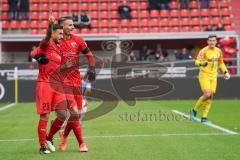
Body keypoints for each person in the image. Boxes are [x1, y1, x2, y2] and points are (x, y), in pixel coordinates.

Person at [49, 16, 96, 152]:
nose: (73, 27)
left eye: (73, 25)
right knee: (74, 113)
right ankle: (82, 143)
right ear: (61, 27)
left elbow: (90, 56)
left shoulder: (78, 40)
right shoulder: (55, 42)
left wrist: (92, 68)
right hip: (63, 82)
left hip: (76, 81)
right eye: (70, 25)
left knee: (77, 114)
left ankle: (60, 136)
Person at [31, 24, 68, 154]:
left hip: (57, 85)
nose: (61, 36)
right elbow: (40, 46)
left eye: (62, 34)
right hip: (45, 84)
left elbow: (34, 53)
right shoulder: (46, 43)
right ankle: (42, 147)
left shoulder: (59, 47)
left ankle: (49, 137)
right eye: (59, 33)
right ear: (52, 34)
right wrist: (50, 25)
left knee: (63, 114)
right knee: (45, 115)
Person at [190, 34, 230, 124]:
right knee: (207, 94)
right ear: (208, 42)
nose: (212, 42)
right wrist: (201, 64)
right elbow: (196, 62)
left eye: (213, 40)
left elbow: (221, 62)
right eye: (210, 40)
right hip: (204, 75)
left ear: (216, 42)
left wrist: (225, 72)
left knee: (211, 96)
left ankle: (204, 117)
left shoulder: (218, 51)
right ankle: (194, 111)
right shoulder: (203, 51)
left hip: (213, 76)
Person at [59, 74, 92, 142]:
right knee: (75, 113)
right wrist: (88, 84)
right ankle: (65, 124)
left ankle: (66, 125)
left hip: (70, 98)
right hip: (74, 99)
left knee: (75, 112)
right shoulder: (83, 82)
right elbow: (88, 90)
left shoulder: (73, 81)